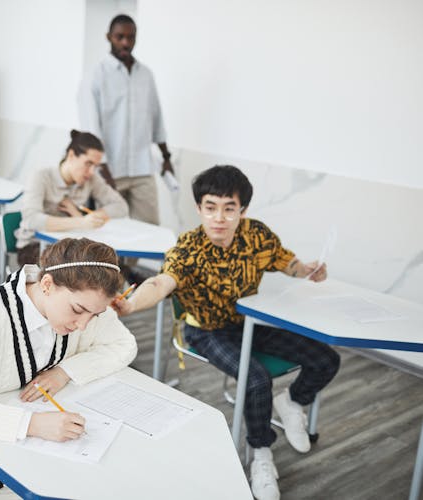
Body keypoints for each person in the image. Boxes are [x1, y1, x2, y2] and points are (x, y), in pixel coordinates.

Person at [112, 165, 340, 500]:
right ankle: (260, 453)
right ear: (199, 208)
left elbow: (285, 261)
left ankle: (292, 401)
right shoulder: (189, 247)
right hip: (206, 332)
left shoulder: (257, 235)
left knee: (326, 358)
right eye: (210, 207)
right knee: (256, 378)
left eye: (229, 208)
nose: (219, 217)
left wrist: (305, 270)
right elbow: (162, 282)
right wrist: (131, 306)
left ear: (242, 211)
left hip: (248, 325)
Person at [0, 238, 137, 498]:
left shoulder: (84, 302)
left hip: (23, 434)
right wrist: (32, 424)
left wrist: (64, 372)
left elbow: (124, 344)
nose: (83, 326)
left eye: (95, 315)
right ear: (46, 285)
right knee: (69, 484)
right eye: (78, 310)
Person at [78, 14, 173, 227]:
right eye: (120, 37)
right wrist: (103, 170)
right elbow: (91, 129)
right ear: (109, 37)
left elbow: (156, 117)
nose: (125, 43)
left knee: (149, 230)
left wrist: (166, 157)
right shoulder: (95, 75)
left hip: (142, 169)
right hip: (110, 170)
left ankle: (130, 263)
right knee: (111, 233)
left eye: (131, 37)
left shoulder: (146, 75)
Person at [14, 129, 128, 266]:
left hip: (70, 247)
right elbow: (31, 219)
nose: (92, 172)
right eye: (88, 163)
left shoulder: (91, 179)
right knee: (87, 268)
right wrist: (80, 221)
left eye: (96, 166)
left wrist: (93, 216)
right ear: (71, 155)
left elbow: (121, 206)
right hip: (35, 246)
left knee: (108, 264)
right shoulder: (41, 176)